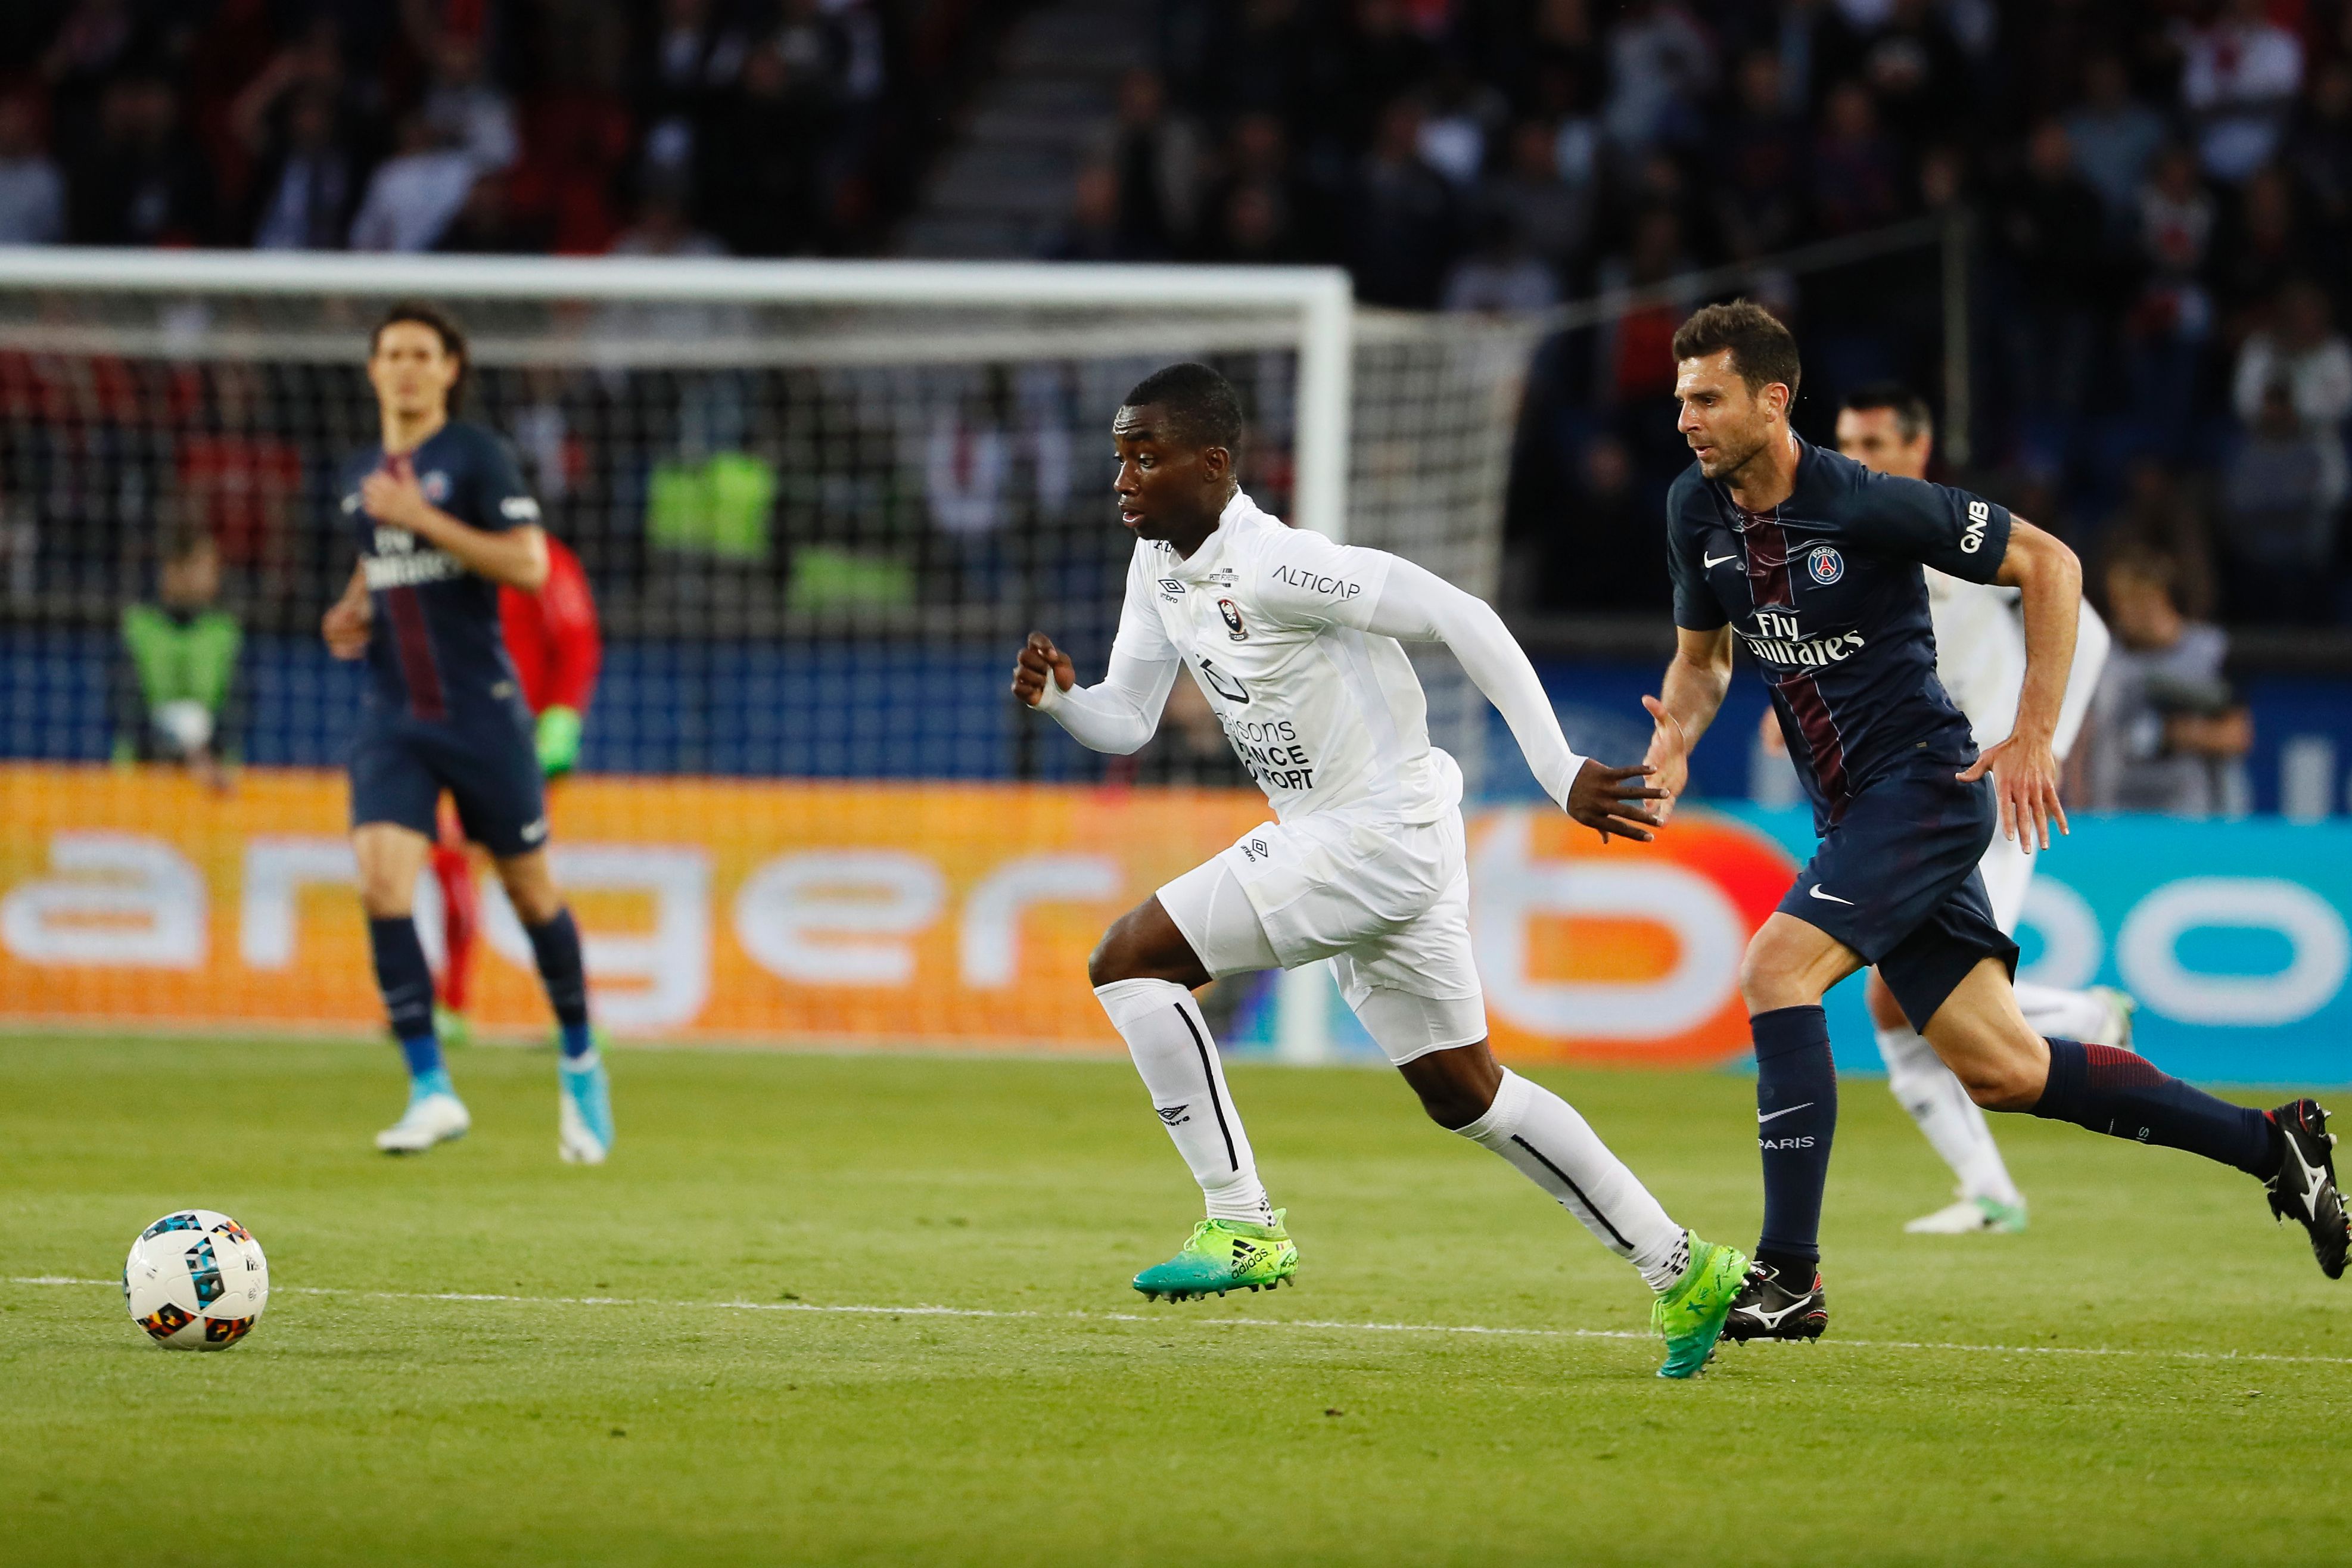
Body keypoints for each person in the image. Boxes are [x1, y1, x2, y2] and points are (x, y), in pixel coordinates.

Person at [1014, 362, 1748, 1380]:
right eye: (1117, 455)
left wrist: (1556, 767)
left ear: (1213, 463)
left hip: (1366, 832)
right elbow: (1129, 719)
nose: (1123, 477)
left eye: (1146, 453)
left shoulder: (1279, 563)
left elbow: (1462, 615)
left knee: (1129, 958)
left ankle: (1240, 1220)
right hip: (1377, 839)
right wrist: (1064, 702)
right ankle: (1682, 1265)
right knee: (1467, 1093)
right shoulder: (1158, 568)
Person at [1640, 302, 2344, 1346]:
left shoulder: (1865, 503)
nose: (1686, 417)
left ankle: (1789, 1273)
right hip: (1855, 814)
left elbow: (2051, 567)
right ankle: (2273, 1143)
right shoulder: (1692, 513)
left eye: (1706, 397)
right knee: (2003, 1068)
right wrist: (1675, 744)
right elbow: (1702, 665)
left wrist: (2033, 736)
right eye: (1679, 398)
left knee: (1774, 970)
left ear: (1770, 400)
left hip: (1922, 789)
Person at [1811, 384, 2132, 1236]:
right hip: (1916, 792)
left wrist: (2041, 741)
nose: (1858, 459)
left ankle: (2078, 1028)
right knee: (1896, 998)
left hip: (1981, 786)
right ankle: (1994, 1189)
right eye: (1847, 442)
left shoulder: (1947, 530)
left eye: (1875, 441)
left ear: (1918, 451)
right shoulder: (1857, 540)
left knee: (1903, 994)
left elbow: (2085, 626)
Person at [319, 303, 614, 1164]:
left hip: (483, 711)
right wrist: (352, 607)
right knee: (382, 880)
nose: (406, 368)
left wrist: (424, 519)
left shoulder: (477, 459)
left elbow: (527, 564)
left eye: (423, 354)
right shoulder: (360, 474)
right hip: (394, 713)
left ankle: (581, 1061)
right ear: (373, 370)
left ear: (451, 370)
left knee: (531, 894)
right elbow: (381, 558)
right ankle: (430, 1087)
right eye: (392, 354)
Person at [429, 531, 602, 1045]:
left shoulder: (546, 558)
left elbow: (578, 641)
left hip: (520, 744)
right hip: (469, 737)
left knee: (519, 880)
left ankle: (574, 1016)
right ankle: (456, 1007)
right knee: (468, 866)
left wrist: (562, 721)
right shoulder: (459, 557)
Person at [112, 527, 243, 793]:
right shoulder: (136, 627)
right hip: (141, 780)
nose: (213, 576)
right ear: (174, 569)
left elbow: (239, 709)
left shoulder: (226, 631)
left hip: (214, 784)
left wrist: (206, 755)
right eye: (204, 567)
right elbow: (123, 708)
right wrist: (180, 754)